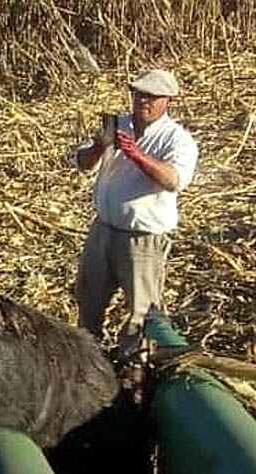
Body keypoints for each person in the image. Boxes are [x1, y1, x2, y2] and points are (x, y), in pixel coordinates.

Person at [73, 68, 198, 355]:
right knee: (88, 298)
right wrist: (99, 146)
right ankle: (88, 359)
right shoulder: (116, 125)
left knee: (141, 313)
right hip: (102, 231)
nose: (144, 101)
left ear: (168, 100)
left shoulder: (177, 140)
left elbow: (173, 181)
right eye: (140, 94)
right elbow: (82, 163)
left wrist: (136, 154)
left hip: (143, 241)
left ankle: (135, 370)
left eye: (152, 97)